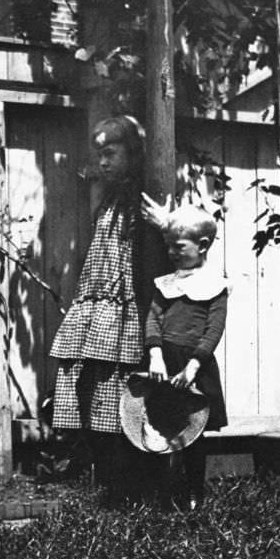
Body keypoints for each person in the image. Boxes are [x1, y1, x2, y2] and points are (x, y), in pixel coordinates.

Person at [48, 115, 170, 506]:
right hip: (100, 303)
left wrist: (167, 224)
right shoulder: (109, 201)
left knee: (127, 393)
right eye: (99, 154)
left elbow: (166, 255)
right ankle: (112, 487)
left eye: (110, 153)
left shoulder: (147, 196)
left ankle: (140, 490)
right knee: (97, 394)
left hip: (128, 308)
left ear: (132, 154)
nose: (102, 162)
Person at [144, 204, 230, 509]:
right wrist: (155, 355)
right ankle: (162, 494)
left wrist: (193, 367)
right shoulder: (166, 284)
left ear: (202, 246)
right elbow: (153, 320)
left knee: (194, 432)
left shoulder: (215, 286)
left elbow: (213, 330)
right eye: (168, 245)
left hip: (194, 367)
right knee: (160, 426)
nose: (171, 252)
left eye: (179, 246)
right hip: (165, 365)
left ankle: (194, 494)